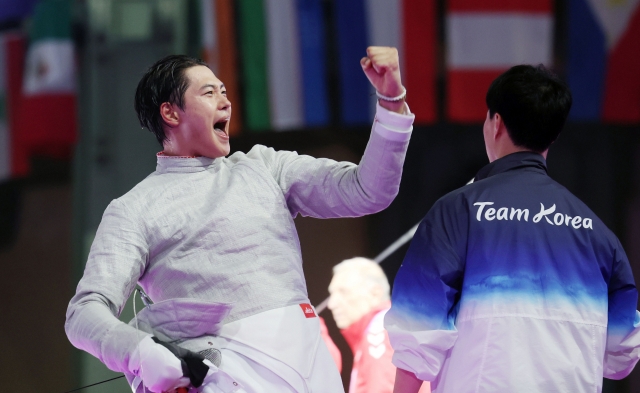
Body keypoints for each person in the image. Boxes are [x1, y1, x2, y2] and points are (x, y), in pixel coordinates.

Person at [64, 47, 415, 393]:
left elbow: (368, 190)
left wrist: (390, 101)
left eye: (225, 92)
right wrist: (138, 352)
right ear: (171, 113)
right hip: (227, 375)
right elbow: (84, 313)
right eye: (209, 93)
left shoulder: (265, 167)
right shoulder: (134, 208)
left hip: (311, 364)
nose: (225, 102)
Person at [385, 65, 640, 393]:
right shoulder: (598, 234)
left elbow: (416, 333)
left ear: (496, 122)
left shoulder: (458, 211)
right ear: (553, 135)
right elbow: (621, 353)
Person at [327, 257, 430, 393]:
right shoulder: (392, 325)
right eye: (331, 294)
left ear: (375, 293)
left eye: (343, 292)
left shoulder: (380, 329)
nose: (331, 304)